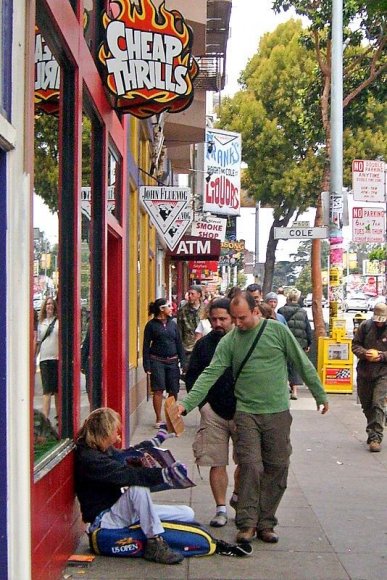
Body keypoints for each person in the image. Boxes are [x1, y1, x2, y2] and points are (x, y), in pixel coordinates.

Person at [177, 291, 328, 545]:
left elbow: (301, 362)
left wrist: (319, 393)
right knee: (250, 467)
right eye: (233, 319)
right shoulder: (230, 341)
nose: (237, 324)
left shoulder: (277, 332)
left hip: (277, 412)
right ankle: (246, 523)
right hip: (245, 412)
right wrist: (187, 404)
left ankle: (266, 523)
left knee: (277, 467)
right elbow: (210, 373)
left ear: (256, 311)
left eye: (242, 318)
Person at [74, 407, 195, 565]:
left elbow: (126, 454)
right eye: (114, 431)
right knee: (138, 487)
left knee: (187, 513)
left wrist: (158, 440)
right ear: (104, 432)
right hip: (104, 519)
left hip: (119, 511)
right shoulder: (90, 459)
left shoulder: (101, 449)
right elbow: (128, 474)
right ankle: (154, 542)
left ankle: (152, 529)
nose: (116, 436)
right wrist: (165, 474)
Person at [185, 298, 238, 528]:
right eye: (213, 319)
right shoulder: (204, 345)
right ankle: (221, 508)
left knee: (246, 462)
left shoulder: (243, 342)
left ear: (233, 318)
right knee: (217, 462)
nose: (218, 323)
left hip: (243, 409)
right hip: (213, 411)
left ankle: (239, 500)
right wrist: (202, 405)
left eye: (223, 319)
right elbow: (192, 376)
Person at [143, 298, 186, 428]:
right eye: (169, 306)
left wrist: (183, 361)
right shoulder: (151, 326)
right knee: (158, 389)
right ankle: (158, 418)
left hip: (172, 361)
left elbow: (179, 343)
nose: (171, 308)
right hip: (157, 361)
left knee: (173, 390)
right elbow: (146, 346)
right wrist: (147, 365)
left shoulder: (173, 324)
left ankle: (171, 418)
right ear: (162, 309)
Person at [352, 303, 387, 452]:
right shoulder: (365, 326)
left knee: (377, 403)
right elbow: (355, 345)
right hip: (365, 372)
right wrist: (364, 353)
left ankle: (376, 437)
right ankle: (372, 429)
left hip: (383, 372)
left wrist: (381, 356)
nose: (379, 322)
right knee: (367, 404)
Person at [278, 288, 312, 400]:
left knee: (284, 364)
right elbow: (307, 328)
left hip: (284, 342)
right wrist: (308, 343)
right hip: (299, 343)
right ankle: (295, 391)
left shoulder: (281, 311)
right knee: (296, 366)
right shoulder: (303, 312)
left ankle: (286, 383)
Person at [37, 296, 59, 419]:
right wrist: (34, 357)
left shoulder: (58, 322)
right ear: (44, 307)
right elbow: (38, 342)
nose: (49, 306)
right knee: (47, 391)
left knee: (57, 391)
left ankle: (59, 417)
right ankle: (45, 419)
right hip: (44, 360)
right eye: (47, 304)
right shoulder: (41, 323)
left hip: (56, 359)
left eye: (51, 304)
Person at [177, 285, 205, 367]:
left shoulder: (206, 309)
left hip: (203, 346)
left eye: (192, 294)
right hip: (188, 347)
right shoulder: (183, 310)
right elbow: (179, 329)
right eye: (189, 294)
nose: (189, 296)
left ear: (199, 295)